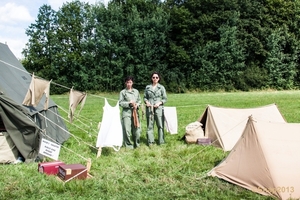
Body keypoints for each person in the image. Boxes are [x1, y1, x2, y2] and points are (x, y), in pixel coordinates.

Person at [144, 72, 167, 146]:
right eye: (153, 77)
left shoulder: (161, 87)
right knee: (150, 125)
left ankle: (161, 141)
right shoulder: (147, 87)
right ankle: (150, 141)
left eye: (156, 77)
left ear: (159, 78)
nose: (155, 79)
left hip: (158, 109)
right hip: (150, 108)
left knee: (160, 125)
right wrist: (147, 102)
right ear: (151, 78)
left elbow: (165, 98)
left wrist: (159, 103)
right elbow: (145, 97)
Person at [119, 76, 141, 149]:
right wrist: (129, 103)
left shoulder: (136, 91)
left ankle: (137, 144)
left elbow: (139, 101)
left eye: (130, 82)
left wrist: (136, 105)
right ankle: (128, 145)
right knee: (127, 130)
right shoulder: (122, 92)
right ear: (125, 83)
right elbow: (120, 103)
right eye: (127, 82)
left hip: (135, 112)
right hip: (126, 113)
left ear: (132, 83)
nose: (129, 84)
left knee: (137, 130)